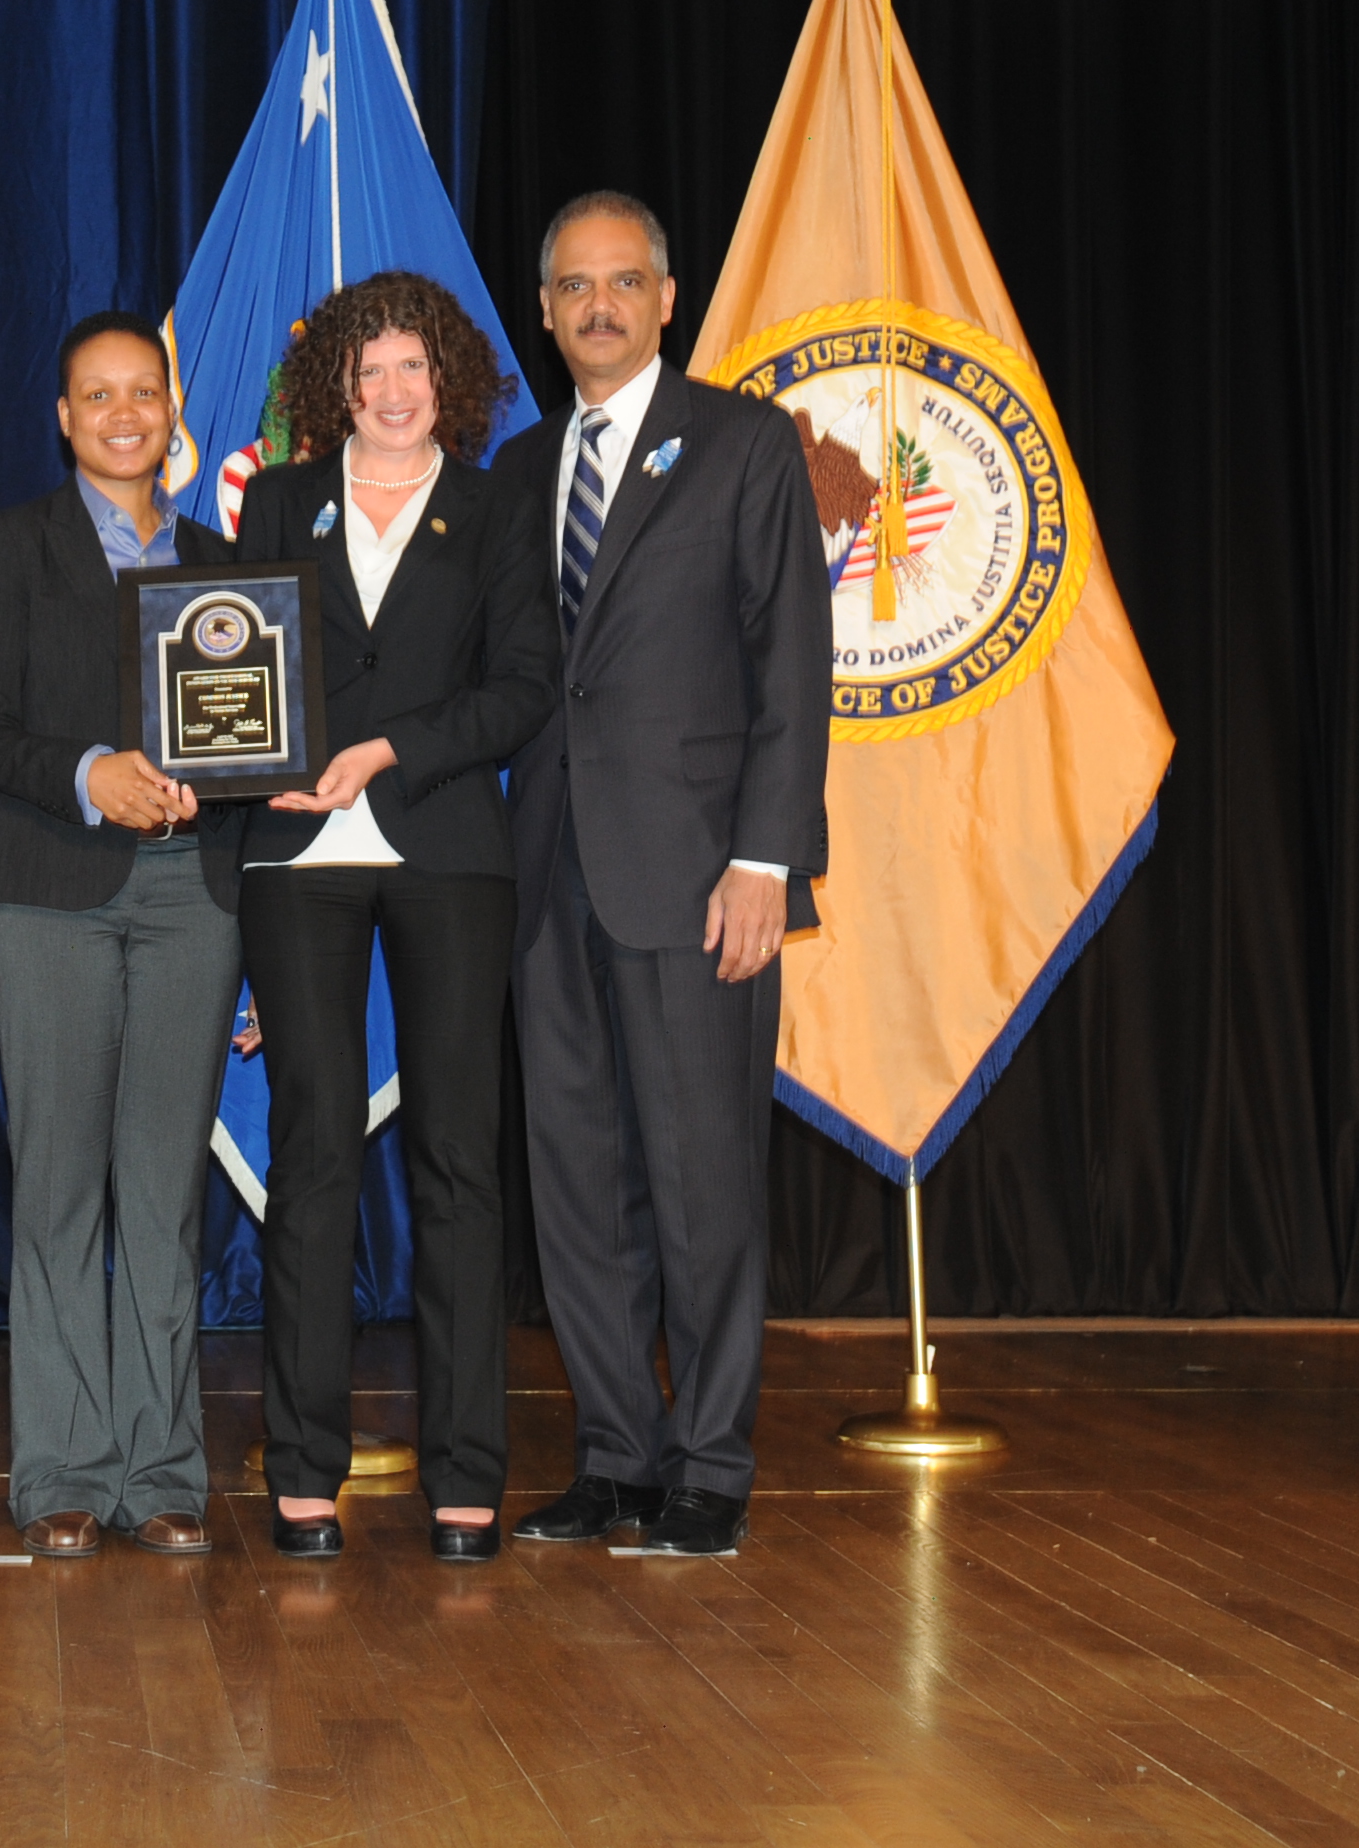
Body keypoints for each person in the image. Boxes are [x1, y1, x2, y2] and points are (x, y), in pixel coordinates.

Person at [493, 192, 830, 1556]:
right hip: (546, 883)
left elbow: (790, 668)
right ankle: (619, 1456)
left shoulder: (744, 444)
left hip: (698, 877)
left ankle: (710, 1464)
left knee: (700, 1182)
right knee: (578, 1184)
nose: (599, 306)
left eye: (623, 282)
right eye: (574, 286)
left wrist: (765, 858)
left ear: (669, 296)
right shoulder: (520, 470)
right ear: (546, 307)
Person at [232, 272, 560, 1563]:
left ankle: (467, 1476)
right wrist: (257, 763)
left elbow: (523, 690)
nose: (390, 389)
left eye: (412, 367)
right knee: (310, 1155)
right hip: (293, 855)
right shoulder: (276, 502)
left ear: (451, 383)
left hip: (444, 847)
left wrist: (384, 750)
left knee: (458, 1166)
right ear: (336, 388)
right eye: (367, 369)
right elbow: (231, 673)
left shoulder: (493, 512)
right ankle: (303, 1473)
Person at [0, 312, 244, 1560]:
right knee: (61, 1189)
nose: (124, 413)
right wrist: (87, 773)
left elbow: (262, 744)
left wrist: (211, 784)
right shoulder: (10, 549)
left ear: (171, 411)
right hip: (49, 893)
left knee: (163, 1195)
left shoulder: (230, 560)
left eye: (144, 392)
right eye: (97, 395)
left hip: (195, 901)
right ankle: (63, 1469)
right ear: (64, 418)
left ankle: (165, 1472)